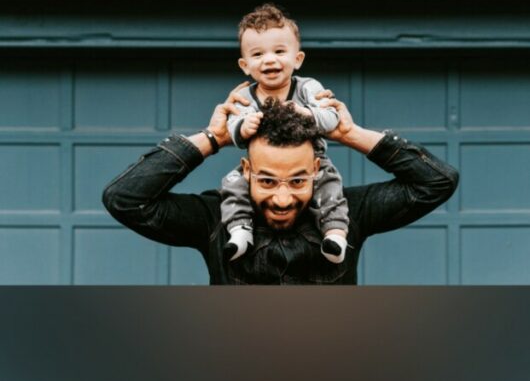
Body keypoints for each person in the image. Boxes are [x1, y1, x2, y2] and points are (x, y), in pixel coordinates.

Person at [102, 80, 459, 286]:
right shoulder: (214, 219)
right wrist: (213, 138)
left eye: (298, 180)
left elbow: (436, 182)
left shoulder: (350, 213)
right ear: (246, 170)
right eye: (268, 181)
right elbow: (126, 199)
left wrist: (350, 134)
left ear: (318, 169)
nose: (283, 198)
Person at [222, 3, 348, 264]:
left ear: (297, 59)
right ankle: (239, 230)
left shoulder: (307, 88)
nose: (269, 59)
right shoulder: (244, 96)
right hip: (262, 167)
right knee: (232, 183)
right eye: (258, 55)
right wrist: (242, 127)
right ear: (245, 65)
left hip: (312, 162)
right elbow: (232, 128)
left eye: (279, 51)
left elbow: (331, 117)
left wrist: (308, 114)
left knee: (330, 184)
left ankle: (335, 233)